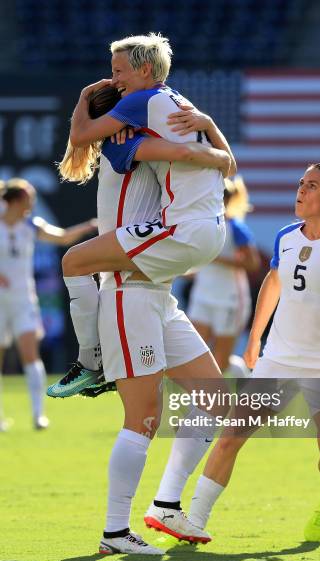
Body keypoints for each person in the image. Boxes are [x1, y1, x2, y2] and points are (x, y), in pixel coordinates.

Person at [48, 81, 234, 554]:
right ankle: (114, 532)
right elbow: (204, 160)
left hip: (158, 293)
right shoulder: (127, 145)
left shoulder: (133, 142)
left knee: (214, 400)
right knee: (143, 418)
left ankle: (166, 505)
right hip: (130, 291)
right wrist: (210, 148)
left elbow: (85, 133)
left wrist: (208, 128)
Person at [187, 162, 320, 543]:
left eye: (311, 186)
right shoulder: (285, 237)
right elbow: (272, 285)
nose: (300, 190)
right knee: (230, 438)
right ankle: (192, 524)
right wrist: (255, 337)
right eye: (300, 183)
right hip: (276, 361)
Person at [47, 31, 236, 397]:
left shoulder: (140, 107)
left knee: (74, 262)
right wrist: (211, 128)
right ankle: (96, 361)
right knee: (212, 403)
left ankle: (91, 361)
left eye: (119, 72)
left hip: (175, 239)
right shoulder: (176, 104)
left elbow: (82, 135)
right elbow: (229, 165)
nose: (115, 81)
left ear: (145, 70)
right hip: (206, 233)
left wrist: (86, 96)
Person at [0, 178, 95, 430]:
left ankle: (38, 415)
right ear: (18, 200)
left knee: (31, 356)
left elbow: (62, 238)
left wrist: (88, 226)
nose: (33, 201)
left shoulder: (31, 225)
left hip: (23, 300)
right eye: (29, 196)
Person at [188, 175, 260, 372]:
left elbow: (253, 263)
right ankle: (199, 403)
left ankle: (243, 377)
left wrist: (215, 259)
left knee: (221, 361)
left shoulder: (236, 228)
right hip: (202, 297)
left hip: (230, 301)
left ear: (226, 200)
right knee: (194, 354)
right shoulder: (200, 225)